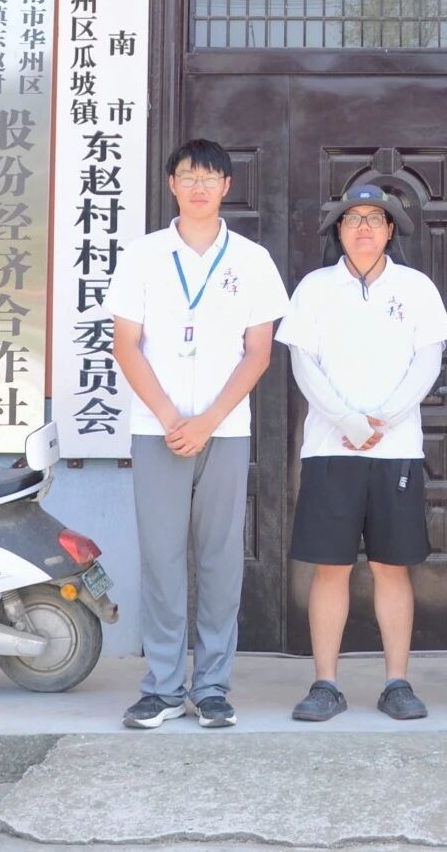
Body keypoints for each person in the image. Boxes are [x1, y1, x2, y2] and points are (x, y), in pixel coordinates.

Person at [107, 139, 290, 729]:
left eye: (210, 177)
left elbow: (258, 352)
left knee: (219, 561)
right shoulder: (142, 256)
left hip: (226, 431)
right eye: (188, 176)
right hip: (155, 429)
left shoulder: (253, 261)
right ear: (172, 184)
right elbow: (125, 345)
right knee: (161, 560)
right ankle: (162, 688)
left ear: (227, 187)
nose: (199, 186)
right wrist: (169, 418)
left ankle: (212, 687)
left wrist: (207, 421)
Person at [276, 183, 447, 722]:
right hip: (330, 449)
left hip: (395, 450)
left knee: (391, 567)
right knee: (330, 568)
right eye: (353, 219)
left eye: (375, 218)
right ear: (340, 230)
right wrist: (347, 420)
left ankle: (397, 682)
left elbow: (428, 361)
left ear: (391, 229)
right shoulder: (314, 288)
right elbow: (303, 363)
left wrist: (385, 417)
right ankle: (325, 684)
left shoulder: (417, 288)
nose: (364, 228)